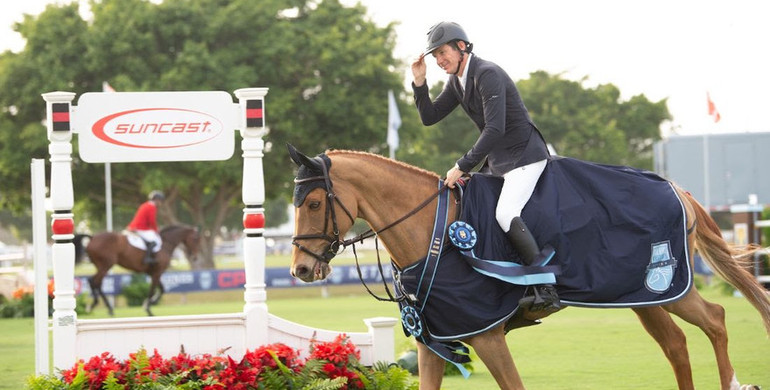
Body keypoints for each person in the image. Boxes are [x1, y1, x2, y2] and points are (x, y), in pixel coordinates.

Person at [411, 21, 559, 313]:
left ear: (462, 47)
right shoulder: (457, 81)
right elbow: (429, 116)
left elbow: (494, 129)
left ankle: (546, 287)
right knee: (476, 209)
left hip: (524, 156)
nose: (440, 61)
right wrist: (419, 82)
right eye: (435, 56)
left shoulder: (487, 73)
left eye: (443, 53)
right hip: (500, 162)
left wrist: (462, 166)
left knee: (505, 213)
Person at [127, 190, 164, 265]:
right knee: (154, 241)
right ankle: (147, 258)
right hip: (140, 227)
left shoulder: (145, 205)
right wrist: (156, 230)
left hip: (136, 226)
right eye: (160, 201)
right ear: (156, 200)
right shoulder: (152, 207)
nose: (161, 203)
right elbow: (152, 220)